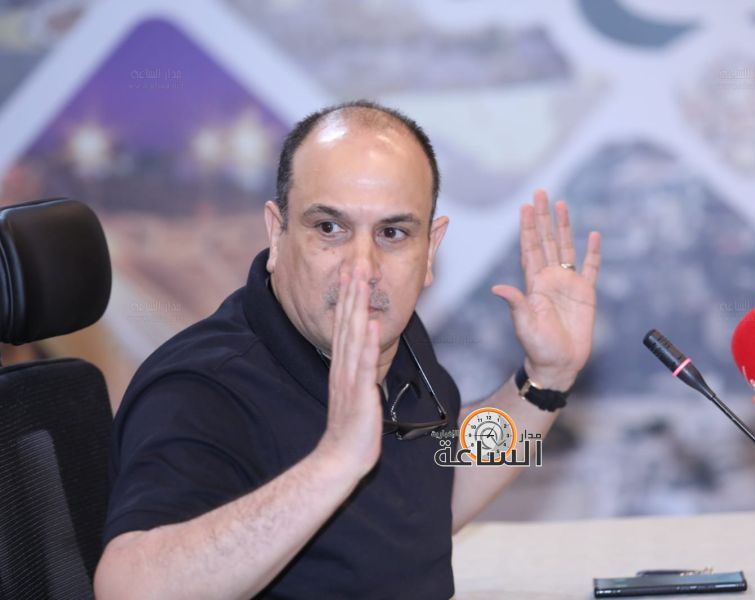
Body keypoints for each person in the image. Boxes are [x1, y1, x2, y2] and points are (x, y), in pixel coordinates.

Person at [93, 100, 602, 599]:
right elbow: (128, 587)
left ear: (430, 250)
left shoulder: (398, 340)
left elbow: (439, 487)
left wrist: (546, 379)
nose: (363, 267)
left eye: (393, 233)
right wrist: (334, 462)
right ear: (277, 234)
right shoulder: (201, 388)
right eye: (329, 228)